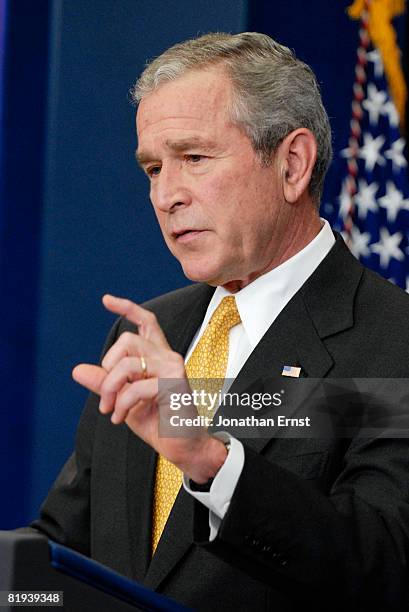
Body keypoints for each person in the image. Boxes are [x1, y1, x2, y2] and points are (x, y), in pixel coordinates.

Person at [31, 32, 409, 611]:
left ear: (292, 165)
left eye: (194, 158)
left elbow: (382, 566)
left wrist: (210, 462)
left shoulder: (391, 339)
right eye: (153, 168)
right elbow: (63, 551)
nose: (165, 195)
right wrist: (14, 586)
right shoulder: (146, 334)